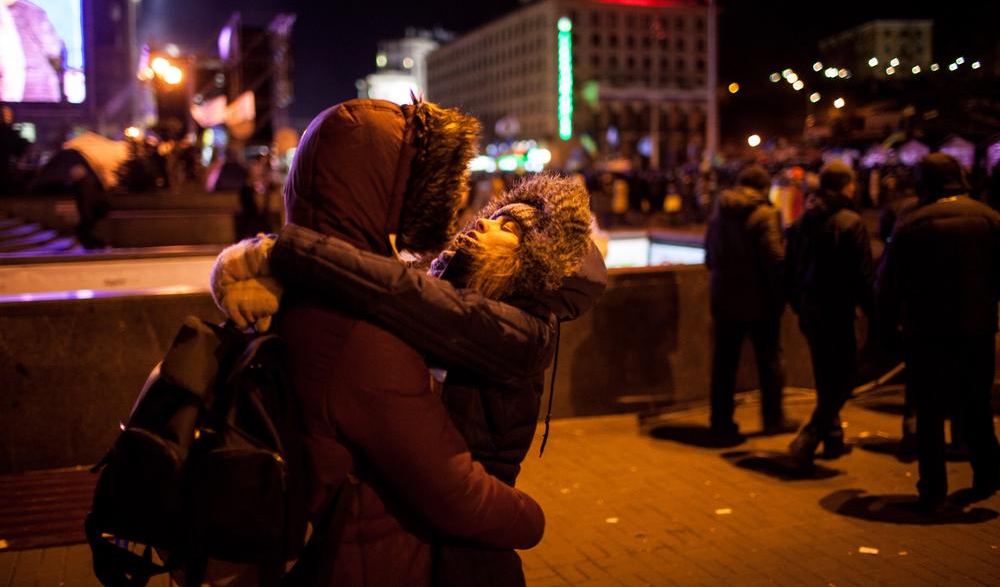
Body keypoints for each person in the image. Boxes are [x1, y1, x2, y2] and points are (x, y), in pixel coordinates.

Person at [212, 173, 607, 586]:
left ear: (533, 260)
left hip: (468, 537)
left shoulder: (520, 331)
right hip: (432, 516)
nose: (485, 223)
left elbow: (403, 294)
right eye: (494, 217)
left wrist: (285, 252)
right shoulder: (467, 293)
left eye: (507, 228)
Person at [877, 153, 1000, 513]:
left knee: (929, 411)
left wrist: (886, 332)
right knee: (977, 405)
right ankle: (987, 475)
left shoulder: (912, 224)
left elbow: (888, 285)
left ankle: (932, 490)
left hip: (926, 331)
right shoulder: (988, 218)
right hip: (977, 328)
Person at [785, 161, 874, 467]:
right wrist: (874, 314)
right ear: (846, 186)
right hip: (838, 309)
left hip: (810, 310)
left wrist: (798, 305)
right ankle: (811, 435)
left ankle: (833, 437)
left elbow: (788, 270)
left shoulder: (803, 221)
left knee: (825, 375)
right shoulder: (850, 222)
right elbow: (863, 277)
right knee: (845, 376)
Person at [704, 164, 793, 439]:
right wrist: (781, 293)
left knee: (724, 364)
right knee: (769, 361)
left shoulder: (719, 214)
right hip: (760, 303)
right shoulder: (766, 214)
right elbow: (775, 258)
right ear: (764, 187)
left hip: (724, 300)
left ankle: (721, 423)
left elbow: (709, 256)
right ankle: (773, 419)